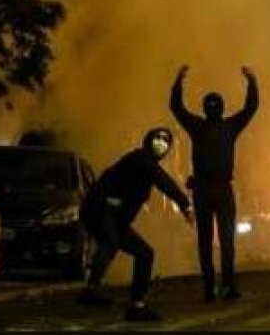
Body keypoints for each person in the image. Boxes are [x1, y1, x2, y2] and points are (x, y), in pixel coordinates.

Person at [78, 127, 194, 322]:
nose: (161, 143)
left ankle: (136, 305)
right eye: (157, 138)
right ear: (148, 140)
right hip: (98, 210)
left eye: (166, 141)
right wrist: (185, 205)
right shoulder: (140, 158)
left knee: (145, 253)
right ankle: (91, 290)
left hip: (114, 219)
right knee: (111, 242)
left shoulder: (147, 170)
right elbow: (163, 181)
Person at [170, 64, 259, 302]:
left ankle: (211, 288)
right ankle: (226, 286)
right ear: (221, 109)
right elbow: (251, 108)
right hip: (219, 189)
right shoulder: (229, 126)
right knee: (225, 241)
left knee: (207, 242)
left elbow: (176, 108)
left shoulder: (199, 126)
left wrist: (179, 81)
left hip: (205, 190)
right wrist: (252, 82)